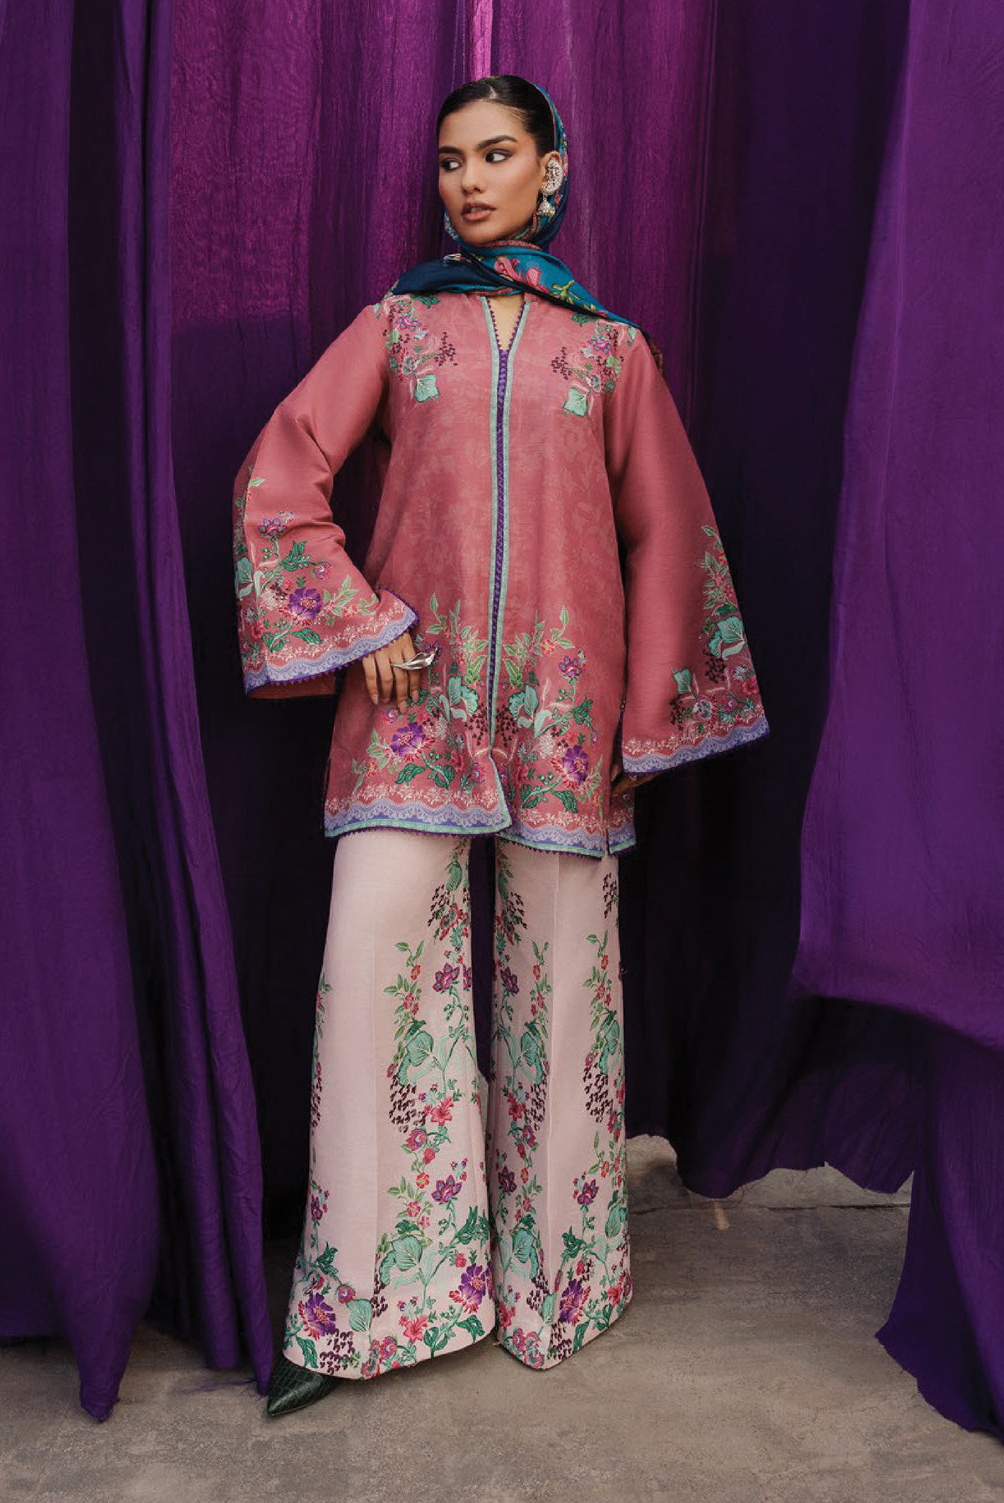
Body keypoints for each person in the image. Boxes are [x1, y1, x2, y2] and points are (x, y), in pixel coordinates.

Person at [231, 75, 769, 1416]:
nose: (468, 182)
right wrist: (357, 622)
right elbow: (280, 475)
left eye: (495, 155)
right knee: (369, 975)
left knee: (564, 995)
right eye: (450, 161)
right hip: (414, 707)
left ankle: (556, 1283)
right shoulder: (397, 326)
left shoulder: (611, 353)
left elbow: (671, 533)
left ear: (552, 169)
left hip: (564, 713)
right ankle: (364, 1308)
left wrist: (648, 717)